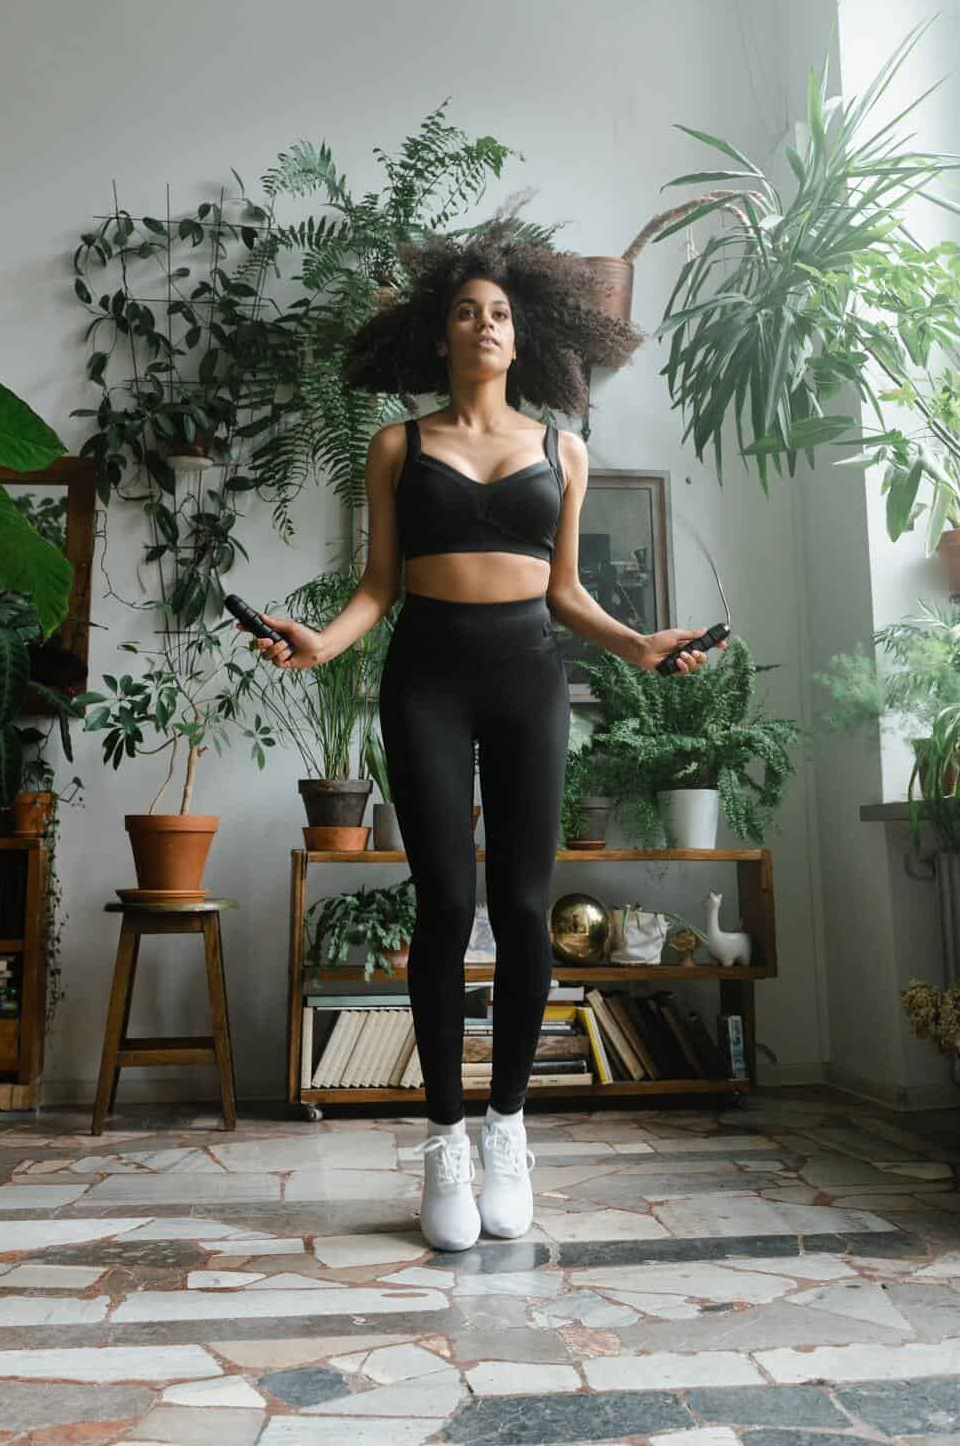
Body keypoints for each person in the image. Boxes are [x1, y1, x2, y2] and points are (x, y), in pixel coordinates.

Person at [241, 222, 715, 1252]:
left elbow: (567, 593)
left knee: (526, 906)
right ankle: (445, 1141)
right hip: (427, 675)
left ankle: (508, 1129)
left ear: (521, 334)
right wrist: (320, 646)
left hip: (529, 675)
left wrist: (638, 645)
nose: (485, 325)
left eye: (499, 312)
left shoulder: (561, 450)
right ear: (440, 333)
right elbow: (378, 586)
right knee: (447, 905)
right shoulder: (399, 446)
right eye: (467, 311)